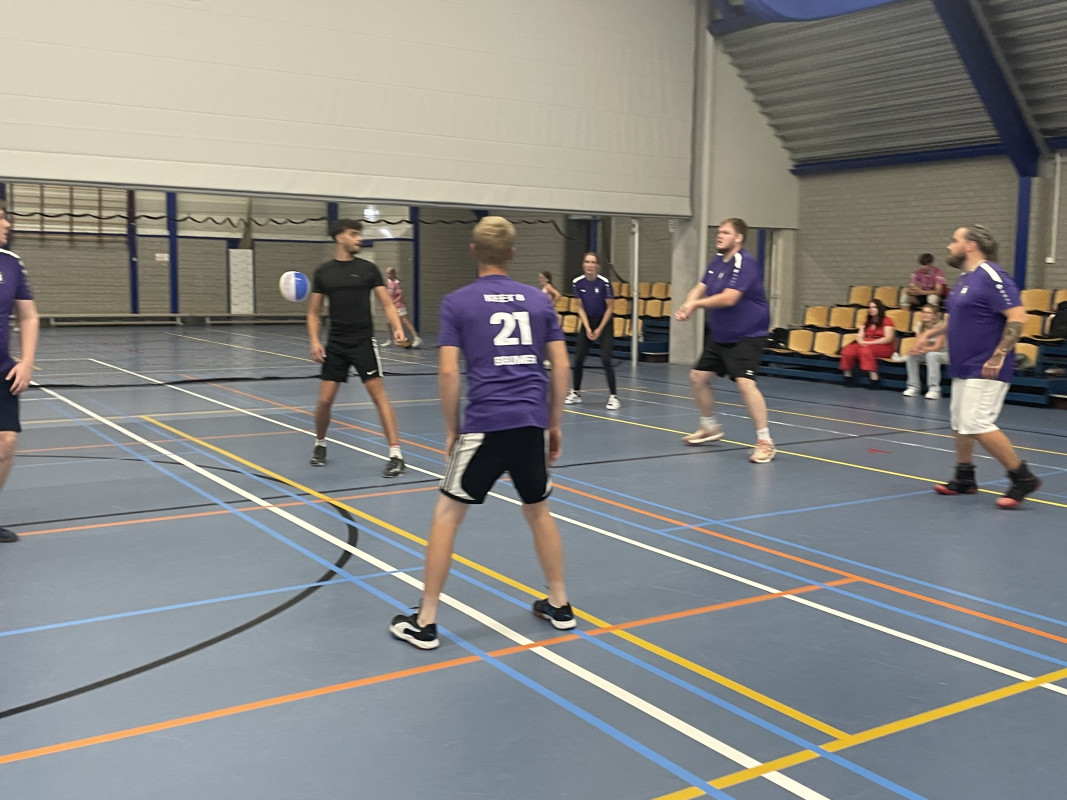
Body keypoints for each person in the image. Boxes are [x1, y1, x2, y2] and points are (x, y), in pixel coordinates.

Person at [389, 216, 575, 649]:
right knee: (538, 511)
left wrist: (452, 429)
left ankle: (426, 620)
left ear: (473, 251)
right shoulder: (538, 300)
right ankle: (560, 603)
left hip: (486, 425)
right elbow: (562, 365)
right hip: (530, 423)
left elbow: (448, 372)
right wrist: (554, 423)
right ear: (512, 254)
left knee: (447, 515)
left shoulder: (457, 303)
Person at [918, 225, 1039, 509]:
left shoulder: (993, 276)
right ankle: (964, 476)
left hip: (985, 366)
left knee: (976, 423)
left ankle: (1022, 477)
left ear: (970, 245)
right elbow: (955, 318)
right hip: (963, 364)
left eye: (954, 240)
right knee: (960, 422)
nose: (949, 246)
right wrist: (931, 334)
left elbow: (1017, 316)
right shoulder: (965, 279)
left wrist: (998, 355)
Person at [307, 219, 407, 477]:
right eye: (353, 234)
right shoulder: (323, 272)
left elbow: (387, 303)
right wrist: (315, 340)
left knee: (379, 396)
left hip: (363, 342)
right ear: (339, 237)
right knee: (325, 400)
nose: (359, 238)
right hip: (336, 344)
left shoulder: (368, 269)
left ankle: (396, 455)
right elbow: (314, 312)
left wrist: (397, 327)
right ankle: (320, 444)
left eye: (359, 234)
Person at [674, 218, 776, 463]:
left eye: (725, 233)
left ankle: (765, 442)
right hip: (721, 334)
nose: (719, 236)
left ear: (738, 238)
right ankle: (709, 426)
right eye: (719, 232)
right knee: (698, 378)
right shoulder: (716, 262)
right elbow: (699, 287)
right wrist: (688, 303)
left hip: (747, 334)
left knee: (745, 384)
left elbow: (730, 298)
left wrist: (696, 305)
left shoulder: (745, 262)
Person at [0, 202, 40, 543]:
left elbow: (28, 315)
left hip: (2, 371)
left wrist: (26, 362)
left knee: (7, 442)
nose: (7, 224)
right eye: (0, 218)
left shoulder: (11, 263)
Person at [564, 253, 620, 410]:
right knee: (578, 359)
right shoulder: (577, 282)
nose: (590, 265)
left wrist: (599, 328)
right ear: (583, 264)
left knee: (606, 359)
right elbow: (580, 307)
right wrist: (588, 327)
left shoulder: (604, 283)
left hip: (605, 323)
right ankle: (576, 393)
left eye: (593, 262)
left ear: (597, 266)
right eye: (587, 262)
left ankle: (614, 396)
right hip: (587, 322)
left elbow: (610, 308)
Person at [839, 299, 896, 388]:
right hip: (866, 343)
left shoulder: (887, 320)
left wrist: (869, 342)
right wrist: (861, 341)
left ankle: (874, 379)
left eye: (874, 307)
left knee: (865, 350)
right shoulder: (866, 322)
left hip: (883, 345)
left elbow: (888, 338)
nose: (872, 309)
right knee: (847, 350)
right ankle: (848, 377)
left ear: (879, 308)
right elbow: (860, 335)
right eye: (870, 307)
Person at [903, 304, 948, 399]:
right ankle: (913, 387)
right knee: (911, 357)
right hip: (927, 352)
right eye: (923, 312)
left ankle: (934, 389)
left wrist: (924, 350)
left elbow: (937, 347)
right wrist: (915, 350)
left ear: (934, 315)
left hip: (943, 353)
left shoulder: (940, 326)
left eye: (928, 313)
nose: (925, 314)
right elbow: (919, 344)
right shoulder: (919, 325)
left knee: (932, 355)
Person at [383, 267, 423, 348]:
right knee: (388, 323)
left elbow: (400, 296)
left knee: (405, 321)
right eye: (387, 273)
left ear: (393, 274)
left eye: (389, 273)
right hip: (391, 306)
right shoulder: (388, 282)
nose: (387, 275)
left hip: (398, 305)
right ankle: (390, 339)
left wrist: (394, 302)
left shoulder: (397, 283)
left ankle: (416, 337)